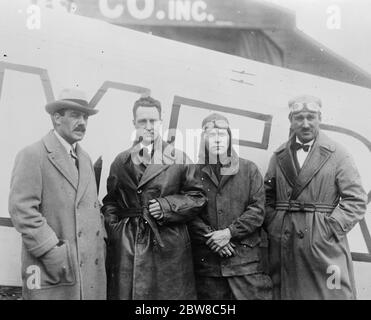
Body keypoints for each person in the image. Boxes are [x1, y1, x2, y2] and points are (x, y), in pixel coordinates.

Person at [102, 96, 206, 300]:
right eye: (142, 121)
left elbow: (197, 197)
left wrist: (166, 206)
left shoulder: (179, 158)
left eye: (153, 121)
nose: (148, 126)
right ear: (134, 124)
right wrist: (116, 230)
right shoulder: (121, 160)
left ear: (161, 122)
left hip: (168, 242)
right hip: (129, 243)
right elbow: (110, 202)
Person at [264, 95, 367, 300]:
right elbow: (267, 196)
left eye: (311, 117)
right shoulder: (279, 155)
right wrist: (275, 224)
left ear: (320, 118)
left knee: (330, 293)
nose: (305, 124)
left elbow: (355, 199)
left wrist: (330, 229)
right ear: (290, 120)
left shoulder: (338, 153)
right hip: (285, 238)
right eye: (299, 118)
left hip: (322, 240)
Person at [8, 88, 107, 300]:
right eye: (75, 115)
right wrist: (54, 252)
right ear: (56, 118)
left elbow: (90, 206)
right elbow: (22, 211)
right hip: (53, 270)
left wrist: (102, 243)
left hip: (88, 275)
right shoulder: (33, 154)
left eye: (85, 116)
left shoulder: (85, 159)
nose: (82, 122)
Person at [188, 113, 272, 300]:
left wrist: (229, 233)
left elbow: (257, 211)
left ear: (230, 138)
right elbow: (190, 214)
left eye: (222, 134)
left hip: (245, 264)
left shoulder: (249, 170)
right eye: (211, 135)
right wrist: (213, 239)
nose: (217, 140)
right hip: (209, 267)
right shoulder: (193, 172)